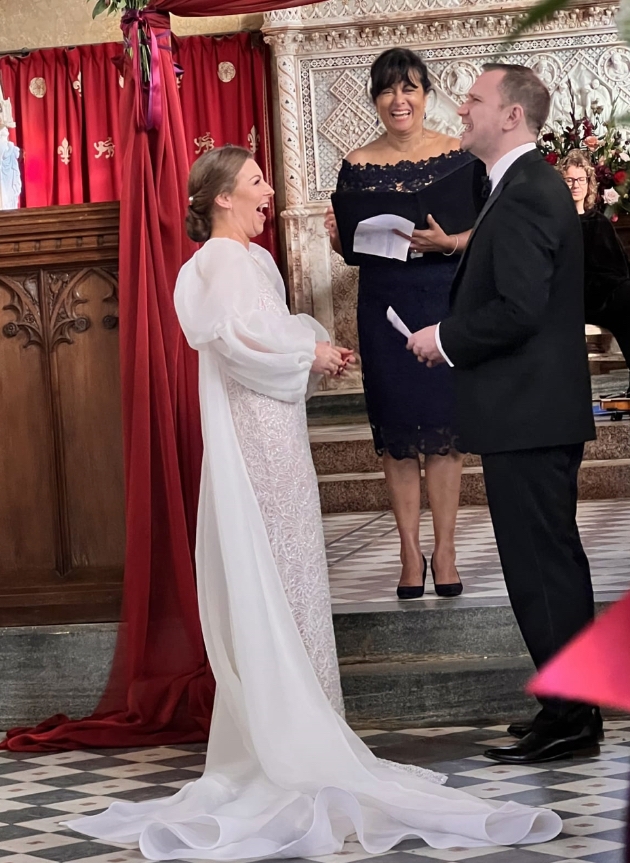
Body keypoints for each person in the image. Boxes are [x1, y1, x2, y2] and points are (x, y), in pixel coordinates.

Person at [66, 145, 561, 858]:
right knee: (273, 564)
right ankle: (290, 730)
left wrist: (311, 348)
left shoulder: (254, 261)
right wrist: (310, 353)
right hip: (254, 436)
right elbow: (239, 342)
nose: (270, 191)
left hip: (277, 428)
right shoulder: (214, 264)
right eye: (257, 181)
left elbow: (265, 334)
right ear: (222, 199)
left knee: (296, 567)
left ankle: (312, 714)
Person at [408, 65, 602, 764]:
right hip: (532, 411)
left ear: (512, 117)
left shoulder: (524, 191)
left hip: (530, 413)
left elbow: (519, 310)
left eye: (477, 101)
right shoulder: (520, 185)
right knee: (544, 564)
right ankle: (566, 706)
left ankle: (573, 718)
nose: (464, 109)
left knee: (541, 567)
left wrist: (445, 338)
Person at [325, 48, 484, 600]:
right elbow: (354, 249)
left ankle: (445, 550)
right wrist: (338, 238)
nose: (400, 100)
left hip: (444, 301)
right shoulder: (357, 164)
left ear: (425, 95)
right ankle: (407, 551)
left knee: (444, 434)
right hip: (385, 306)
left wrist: (449, 242)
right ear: (375, 99)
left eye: (410, 88)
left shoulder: (461, 156)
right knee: (397, 437)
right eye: (389, 90)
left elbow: (486, 236)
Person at [559, 148, 630, 395]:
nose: (575, 185)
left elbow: (618, 266)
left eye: (580, 179)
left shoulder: (598, 221)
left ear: (589, 183)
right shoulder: (555, 224)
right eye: (569, 180)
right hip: (577, 296)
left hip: (608, 293)